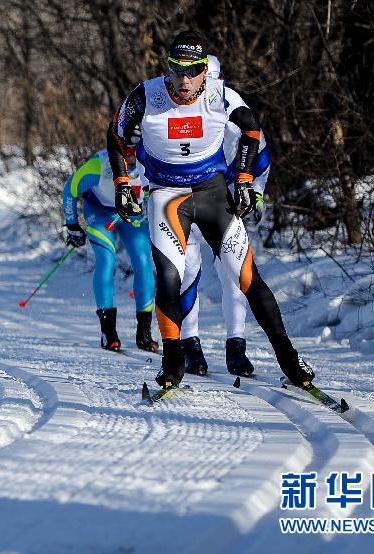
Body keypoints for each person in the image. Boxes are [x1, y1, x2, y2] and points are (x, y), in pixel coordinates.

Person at [106, 30, 315, 389]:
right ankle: (173, 362)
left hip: (213, 194)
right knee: (170, 277)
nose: (184, 80)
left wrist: (246, 179)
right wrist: (123, 183)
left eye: (193, 71)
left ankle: (289, 359)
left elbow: (252, 131)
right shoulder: (147, 94)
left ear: (205, 70)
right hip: (168, 196)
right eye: (177, 70)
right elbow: (116, 133)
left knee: (248, 278)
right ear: (168, 68)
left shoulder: (222, 96)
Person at [177, 54, 269, 377]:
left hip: (223, 199)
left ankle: (236, 347)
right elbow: (155, 152)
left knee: (233, 272)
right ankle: (190, 347)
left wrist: (255, 192)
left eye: (214, 84)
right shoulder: (178, 109)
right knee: (188, 268)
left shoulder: (230, 107)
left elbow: (262, 154)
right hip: (185, 198)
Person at [62, 148, 159, 353]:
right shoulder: (99, 165)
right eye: (127, 152)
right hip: (99, 212)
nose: (132, 158)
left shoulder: (151, 159)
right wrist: (72, 225)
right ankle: (109, 332)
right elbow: (70, 189)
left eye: (137, 151)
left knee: (143, 261)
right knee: (107, 259)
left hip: (132, 213)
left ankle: (144, 331)